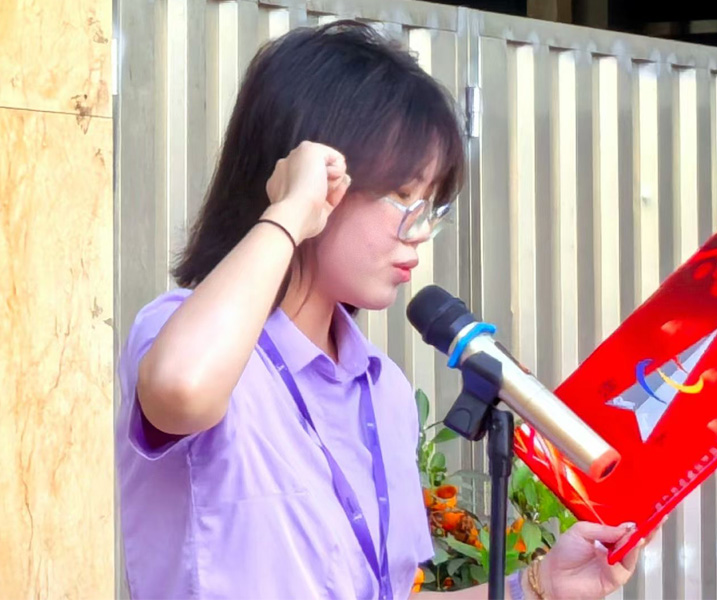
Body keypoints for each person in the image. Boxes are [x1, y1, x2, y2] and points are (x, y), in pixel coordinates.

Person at [116, 21, 655, 599]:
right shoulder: (185, 337)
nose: (418, 231)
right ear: (312, 176)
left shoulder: (385, 392)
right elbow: (181, 388)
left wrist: (539, 586)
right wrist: (291, 211)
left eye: (431, 204)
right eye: (401, 196)